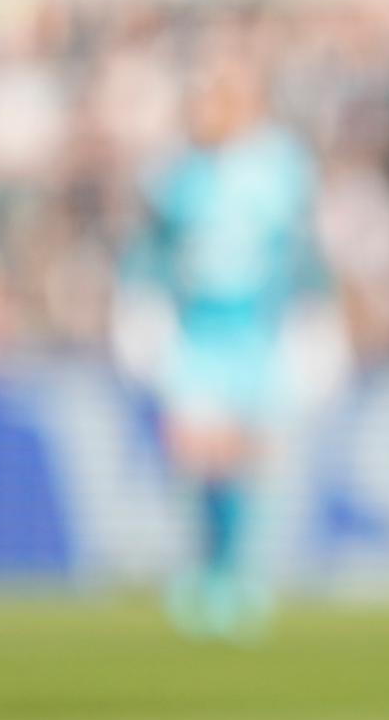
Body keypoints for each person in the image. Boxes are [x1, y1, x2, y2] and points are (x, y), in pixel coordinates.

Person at [116, 43, 336, 642]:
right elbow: (150, 251)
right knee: (196, 453)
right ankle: (207, 570)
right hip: (197, 330)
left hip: (256, 330)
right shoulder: (172, 173)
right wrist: (138, 313)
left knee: (244, 455)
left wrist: (315, 320)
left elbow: (303, 251)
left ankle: (239, 577)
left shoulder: (282, 166)